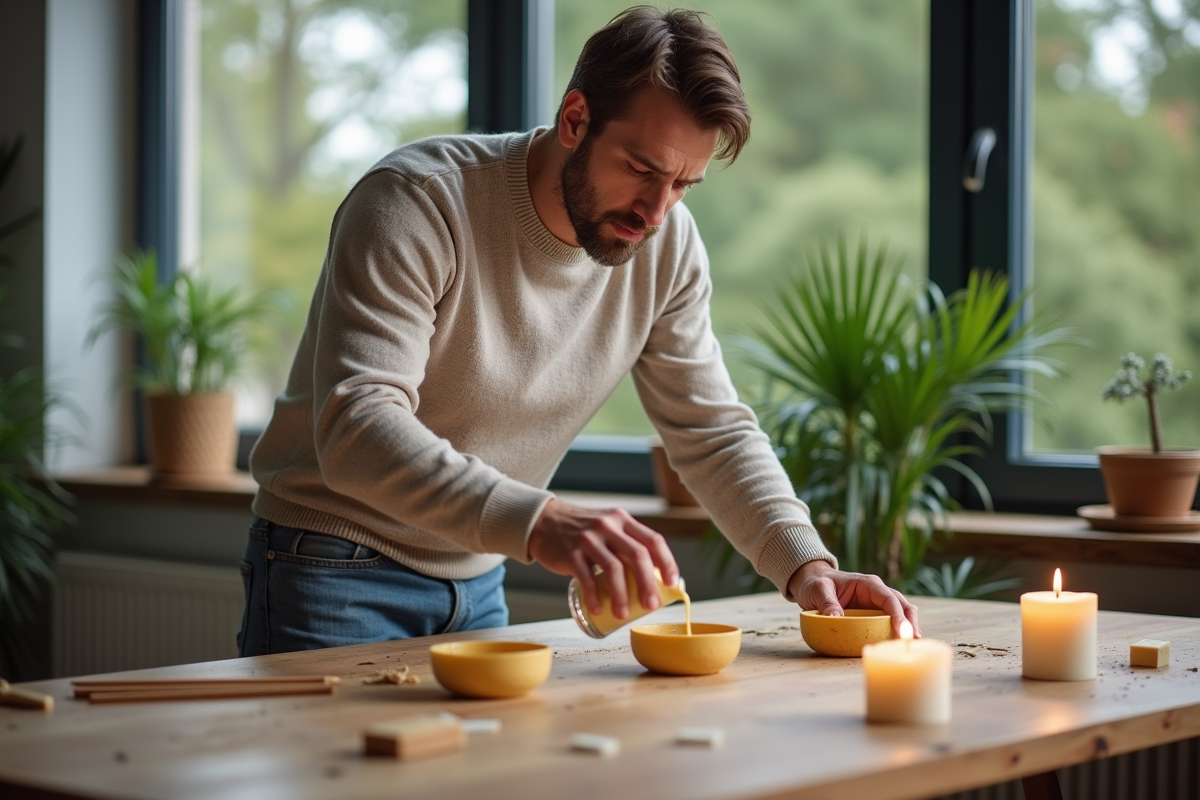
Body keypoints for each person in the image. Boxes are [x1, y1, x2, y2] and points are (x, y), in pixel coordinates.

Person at [238, 6, 918, 657]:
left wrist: (806, 566)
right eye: (643, 170)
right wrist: (542, 521)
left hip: (478, 580)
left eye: (684, 183)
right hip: (330, 566)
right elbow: (356, 427)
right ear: (574, 119)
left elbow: (712, 430)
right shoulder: (415, 203)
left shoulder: (667, 244)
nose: (655, 212)